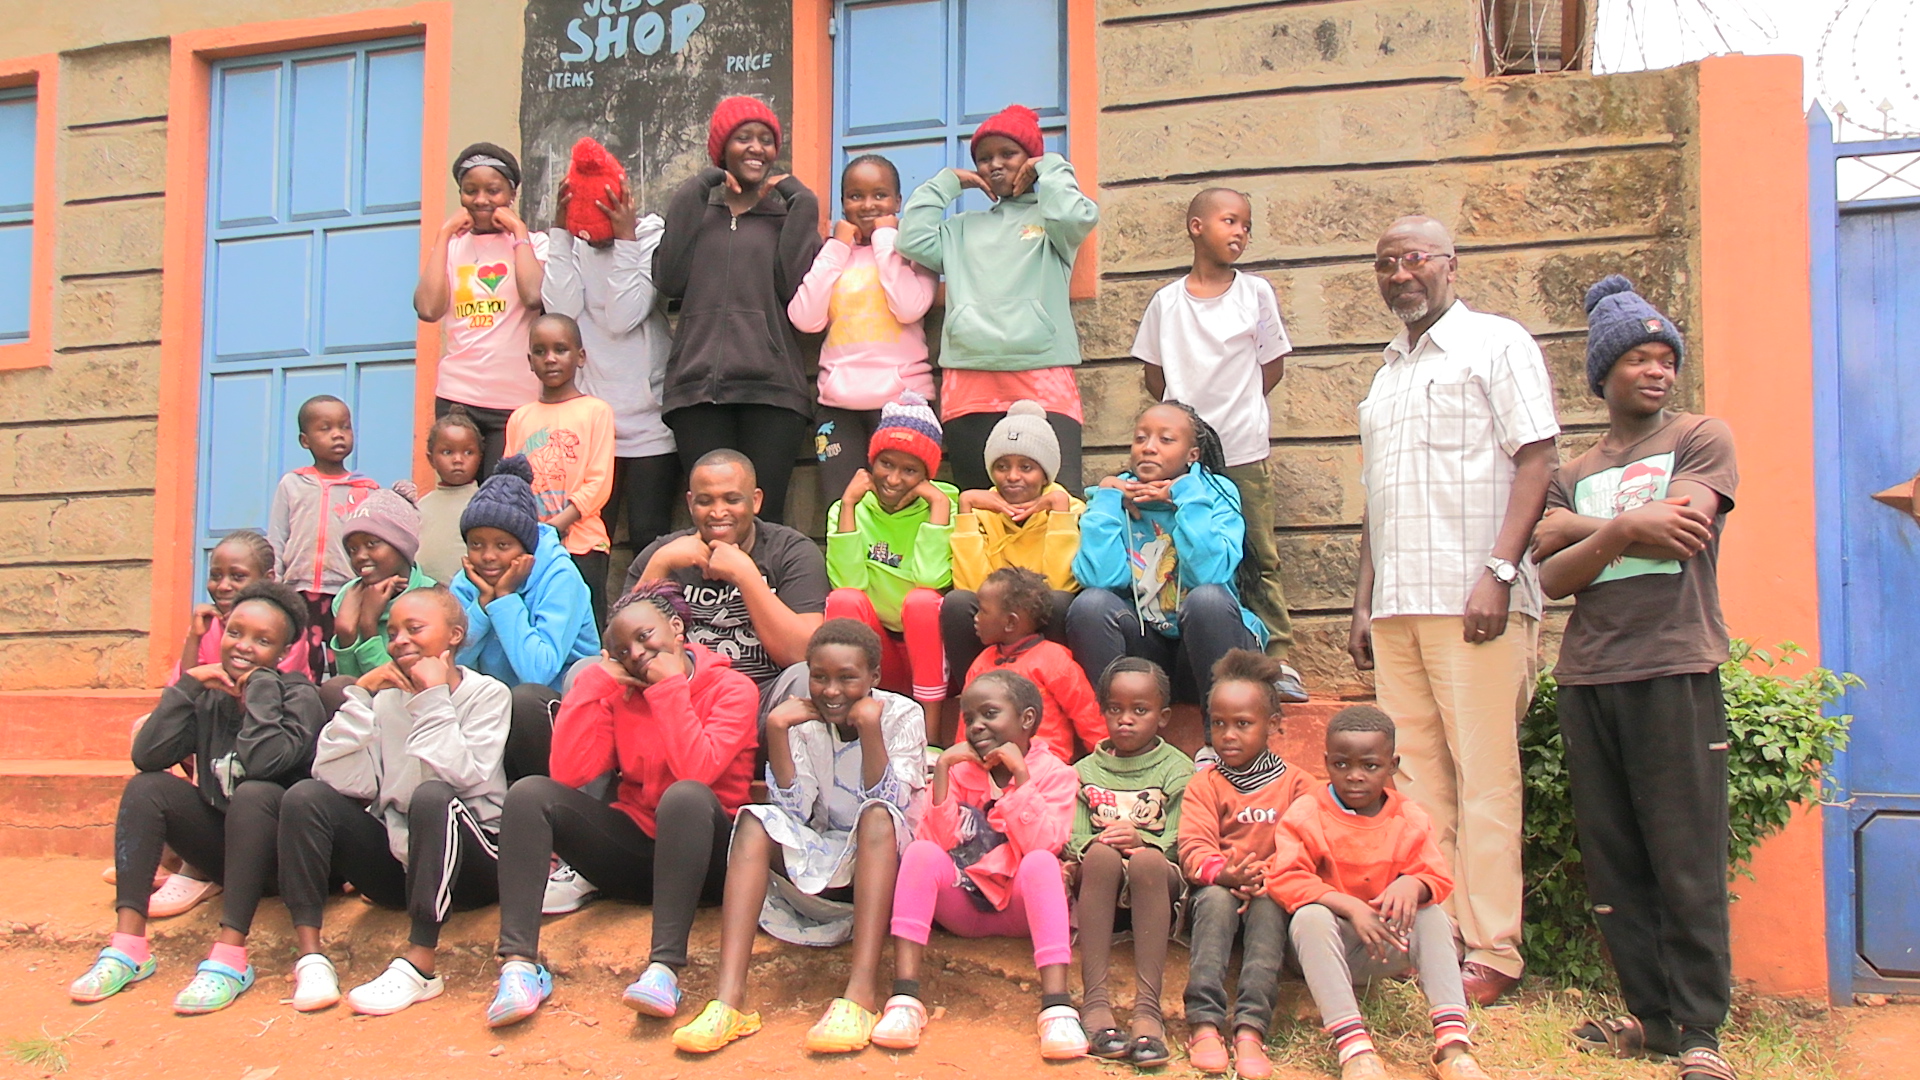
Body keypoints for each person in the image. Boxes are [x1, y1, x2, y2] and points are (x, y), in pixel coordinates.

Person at [1347, 215, 1560, 1003]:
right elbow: (1378, 498)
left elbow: (1537, 456)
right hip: (1402, 605)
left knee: (1486, 778)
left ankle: (1494, 950)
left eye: (1414, 259)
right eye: (1385, 262)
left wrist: (1500, 571)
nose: (1400, 274)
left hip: (1476, 602)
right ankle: (1438, 934)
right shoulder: (1384, 373)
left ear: (1449, 265)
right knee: (1417, 781)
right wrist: (1365, 599)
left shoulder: (1497, 345)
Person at [1531, 276, 1738, 1080]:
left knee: (1684, 855)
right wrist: (1622, 526)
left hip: (1676, 666)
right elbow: (1551, 579)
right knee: (1615, 859)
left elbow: (1682, 532)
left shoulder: (1700, 437)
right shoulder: (1574, 467)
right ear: (1603, 374)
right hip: (1590, 675)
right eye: (1638, 360)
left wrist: (1594, 533)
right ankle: (1651, 1020)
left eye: (1665, 359)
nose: (1656, 372)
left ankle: (1700, 1032)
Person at [484, 582, 760, 1028]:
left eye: (644, 636)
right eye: (620, 650)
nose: (635, 653)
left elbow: (697, 771)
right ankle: (518, 967)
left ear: (676, 628)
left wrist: (669, 690)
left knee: (684, 795)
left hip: (708, 861)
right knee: (530, 794)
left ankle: (664, 970)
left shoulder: (733, 689)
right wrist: (595, 680)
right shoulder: (619, 689)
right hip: (637, 855)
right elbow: (570, 773)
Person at [673, 619, 926, 1055]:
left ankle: (861, 993)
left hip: (887, 859)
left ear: (874, 678)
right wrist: (776, 731)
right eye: (820, 677)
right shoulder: (802, 719)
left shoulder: (903, 714)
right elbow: (795, 810)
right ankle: (729, 1001)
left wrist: (869, 729)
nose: (831, 691)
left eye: (848, 678)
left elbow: (892, 801)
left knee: (877, 817)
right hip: (827, 852)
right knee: (755, 819)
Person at [69, 583, 323, 1014]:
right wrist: (187, 687)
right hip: (227, 855)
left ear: (282, 653)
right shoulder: (210, 696)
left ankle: (229, 958)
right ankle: (128, 946)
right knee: (147, 787)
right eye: (236, 633)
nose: (244, 647)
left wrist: (260, 690)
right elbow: (146, 755)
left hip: (283, 861)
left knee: (255, 793)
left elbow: (264, 763)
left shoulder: (299, 696)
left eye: (263, 642)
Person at [279, 587, 510, 1016]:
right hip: (401, 863)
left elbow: (461, 775)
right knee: (306, 797)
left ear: (455, 635)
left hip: (472, 864)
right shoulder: (386, 700)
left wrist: (433, 698)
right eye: (393, 630)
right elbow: (339, 777)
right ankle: (311, 959)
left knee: (432, 796)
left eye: (414, 629)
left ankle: (420, 964)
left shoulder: (488, 695)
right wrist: (362, 697)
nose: (399, 639)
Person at [1133, 188, 1303, 701]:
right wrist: (1184, 433)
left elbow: (1271, 366)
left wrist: (1237, 412)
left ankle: (1277, 659)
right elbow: (1153, 376)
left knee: (1257, 555)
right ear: (1196, 226)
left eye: (1247, 226)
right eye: (1230, 221)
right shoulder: (1166, 302)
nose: (1241, 233)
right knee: (1182, 550)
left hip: (1244, 449)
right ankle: (1195, 657)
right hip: (1182, 459)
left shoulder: (1256, 294)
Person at [872, 671, 1087, 1061]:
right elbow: (935, 847)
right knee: (919, 854)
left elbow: (1045, 843)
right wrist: (942, 773)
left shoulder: (1057, 773)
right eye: (969, 718)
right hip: (965, 908)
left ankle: (1057, 1007)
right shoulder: (959, 771)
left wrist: (1021, 778)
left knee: (1041, 863)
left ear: (1026, 720)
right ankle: (904, 1000)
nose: (976, 726)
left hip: (1021, 911)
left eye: (989, 713)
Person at [896, 103, 1099, 494]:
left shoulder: (1053, 222)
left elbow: (1077, 216)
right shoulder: (961, 229)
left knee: (1060, 503)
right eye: (984, 158)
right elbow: (911, 239)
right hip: (970, 377)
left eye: (1009, 154)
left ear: (1029, 158)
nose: (995, 165)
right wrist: (948, 182)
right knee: (980, 506)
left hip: (1042, 370)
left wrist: (1050, 166)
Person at [1270, 707, 1480, 1080]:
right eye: (1341, 764)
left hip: (1382, 947)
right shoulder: (1307, 813)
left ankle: (1452, 1044)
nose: (1354, 776)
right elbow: (1284, 878)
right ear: (1326, 763)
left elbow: (1438, 876)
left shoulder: (1409, 817)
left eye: (1370, 766)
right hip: (1321, 950)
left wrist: (1411, 883)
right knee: (1311, 915)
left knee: (1432, 915)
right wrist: (1349, 906)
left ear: (1392, 765)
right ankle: (1354, 1048)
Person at [653, 96, 822, 525]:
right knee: (712, 521)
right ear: (722, 147)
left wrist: (802, 202)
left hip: (772, 392)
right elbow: (668, 279)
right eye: (743, 137)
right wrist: (697, 186)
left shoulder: (784, 217)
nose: (756, 148)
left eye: (766, 140)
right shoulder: (698, 211)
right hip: (697, 392)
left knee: (765, 522)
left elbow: (794, 286)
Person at [1066, 402, 1265, 748]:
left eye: (1165, 439)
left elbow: (1210, 572)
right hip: (1150, 656)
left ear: (1192, 454)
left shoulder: (1215, 493)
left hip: (1212, 650)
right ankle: (1114, 744)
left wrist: (1185, 495)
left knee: (1207, 599)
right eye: (1140, 438)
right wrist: (1108, 501)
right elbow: (1098, 577)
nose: (1149, 446)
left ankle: (1218, 742)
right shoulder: (1115, 495)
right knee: (1091, 605)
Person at [1177, 649, 1314, 1078]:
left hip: (1271, 896)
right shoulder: (1205, 786)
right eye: (1219, 724)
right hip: (1218, 895)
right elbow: (1193, 848)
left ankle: (1251, 1029)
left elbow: (1308, 848)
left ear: (1273, 725)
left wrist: (1267, 877)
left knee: (1272, 901)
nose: (1229, 735)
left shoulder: (1297, 785)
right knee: (1216, 899)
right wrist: (1226, 872)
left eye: (1243, 724)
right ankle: (1203, 1022)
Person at [543, 163, 680, 557]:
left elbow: (624, 315)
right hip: (594, 424)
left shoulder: (651, 238)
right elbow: (561, 312)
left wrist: (625, 240)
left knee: (648, 536)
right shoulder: (574, 246)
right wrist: (560, 236)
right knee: (587, 539)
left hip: (649, 422)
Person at [622, 449, 829, 700]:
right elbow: (620, 647)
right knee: (586, 671)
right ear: (690, 503)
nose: (718, 512)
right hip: (681, 696)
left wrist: (746, 576)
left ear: (756, 501)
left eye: (732, 500)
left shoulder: (791, 551)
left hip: (764, 697)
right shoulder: (662, 554)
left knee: (806, 677)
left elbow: (802, 653)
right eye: (705, 501)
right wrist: (660, 565)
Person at [790, 153, 938, 505]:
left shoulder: (916, 252)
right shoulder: (833, 255)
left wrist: (886, 239)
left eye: (880, 195)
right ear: (843, 203)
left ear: (898, 201)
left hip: (903, 402)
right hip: (838, 404)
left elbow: (908, 307)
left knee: (899, 510)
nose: (868, 205)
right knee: (842, 509)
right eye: (855, 196)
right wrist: (837, 246)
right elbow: (804, 318)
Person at [1068, 657, 1193, 1068]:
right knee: (1101, 855)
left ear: (1163, 717)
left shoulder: (1178, 770)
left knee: (1147, 862)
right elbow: (1073, 837)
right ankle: (1096, 1004)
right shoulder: (1085, 772)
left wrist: (1145, 840)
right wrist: (1101, 842)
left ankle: (1148, 1012)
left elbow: (1181, 839)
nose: (1126, 720)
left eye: (1140, 711)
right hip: (1100, 886)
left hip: (1155, 885)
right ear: (1102, 711)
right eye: (1115, 709)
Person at [449, 455, 599, 782]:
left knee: (524, 699)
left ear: (526, 548)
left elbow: (538, 671)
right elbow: (450, 658)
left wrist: (504, 600)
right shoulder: (468, 580)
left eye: (503, 545)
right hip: (489, 709)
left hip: (553, 713)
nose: (488, 556)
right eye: (477, 544)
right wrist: (483, 605)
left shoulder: (560, 577)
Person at [824, 392, 956, 736]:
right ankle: (851, 730)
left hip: (929, 654)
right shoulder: (846, 509)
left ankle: (930, 735)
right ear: (872, 461)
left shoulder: (948, 505)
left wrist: (938, 508)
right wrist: (851, 505)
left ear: (928, 473)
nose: (894, 480)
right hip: (878, 651)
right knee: (843, 601)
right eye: (886, 464)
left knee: (922, 601)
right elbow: (848, 584)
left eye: (910, 470)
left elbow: (930, 579)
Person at [414, 142, 548, 477]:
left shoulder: (535, 244)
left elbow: (534, 296)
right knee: (460, 500)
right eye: (470, 191)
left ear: (512, 194)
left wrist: (519, 233)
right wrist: (444, 235)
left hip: (515, 402)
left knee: (501, 497)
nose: (482, 200)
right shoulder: (452, 248)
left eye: (493, 190)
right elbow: (428, 308)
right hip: (458, 398)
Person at [941, 399, 1083, 686]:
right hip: (995, 621)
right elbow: (970, 588)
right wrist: (966, 508)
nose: (1012, 477)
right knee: (957, 603)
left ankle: (1052, 690)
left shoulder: (1072, 510)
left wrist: (1058, 511)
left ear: (1045, 473)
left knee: (1057, 602)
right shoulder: (980, 511)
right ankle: (978, 692)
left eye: (1026, 467)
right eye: (1002, 466)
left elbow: (1059, 586)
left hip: (1043, 622)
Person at [506, 313, 617, 630]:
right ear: (530, 361)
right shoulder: (520, 418)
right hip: (532, 547)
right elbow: (511, 484)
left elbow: (598, 483)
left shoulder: (596, 411)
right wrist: (532, 534)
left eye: (560, 349)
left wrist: (556, 526)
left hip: (583, 544)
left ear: (580, 357)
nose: (550, 358)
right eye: (540, 351)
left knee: (586, 626)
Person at [268, 394, 380, 681]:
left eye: (344, 427)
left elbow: (376, 542)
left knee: (344, 657)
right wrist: (274, 586)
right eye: (326, 428)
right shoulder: (293, 484)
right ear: (305, 440)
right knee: (302, 660)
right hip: (299, 590)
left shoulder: (365, 489)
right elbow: (277, 537)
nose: (337, 435)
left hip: (348, 591)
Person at [953, 567, 1103, 759]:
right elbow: (965, 725)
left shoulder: (1053, 659)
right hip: (990, 764)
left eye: (982, 611)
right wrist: (960, 761)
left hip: (1045, 764)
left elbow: (1087, 715)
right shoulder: (981, 664)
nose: (975, 618)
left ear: (1010, 622)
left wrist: (1107, 760)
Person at [326, 485, 435, 691]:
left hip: (415, 700)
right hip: (365, 703)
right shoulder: (347, 598)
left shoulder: (431, 598)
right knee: (335, 688)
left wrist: (368, 626)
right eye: (353, 549)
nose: (360, 556)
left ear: (401, 545)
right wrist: (346, 635)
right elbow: (352, 684)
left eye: (372, 543)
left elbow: (404, 685)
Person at [174, 529, 311, 681]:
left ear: (268, 578)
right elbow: (184, 690)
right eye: (215, 576)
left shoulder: (283, 626)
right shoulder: (206, 624)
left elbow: (270, 689)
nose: (223, 586)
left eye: (238, 576)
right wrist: (194, 637)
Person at [418, 409, 484, 586]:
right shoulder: (420, 507)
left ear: (480, 458)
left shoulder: (484, 504)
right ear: (431, 459)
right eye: (447, 452)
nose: (458, 460)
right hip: (425, 598)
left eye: (468, 452)